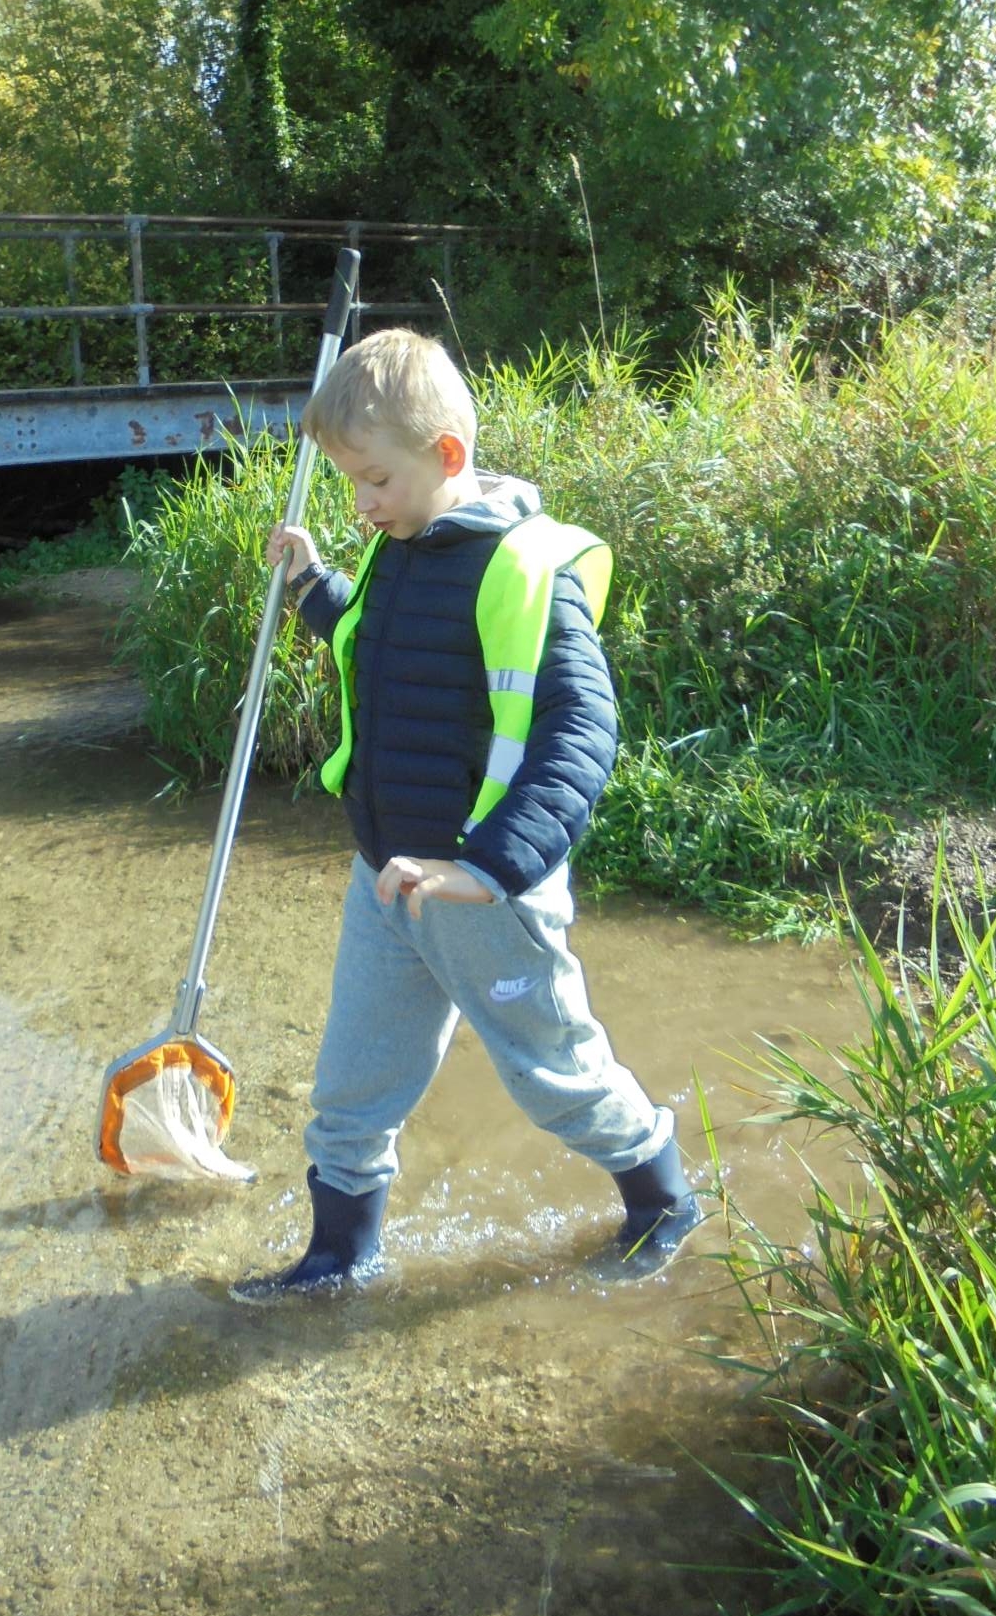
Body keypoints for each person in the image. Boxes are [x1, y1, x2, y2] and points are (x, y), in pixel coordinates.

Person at [235, 329, 699, 1298]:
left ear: (447, 455)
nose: (362, 505)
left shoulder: (525, 572)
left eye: (375, 481)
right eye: (351, 484)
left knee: (556, 1077)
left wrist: (488, 868)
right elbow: (379, 646)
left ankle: (664, 1202)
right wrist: (314, 584)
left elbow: (583, 732)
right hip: (389, 878)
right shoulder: (400, 548)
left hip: (485, 891)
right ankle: (336, 1263)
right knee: (352, 1086)